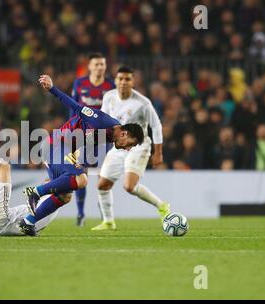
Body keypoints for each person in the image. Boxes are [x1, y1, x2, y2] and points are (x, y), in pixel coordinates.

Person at [20, 74, 144, 236]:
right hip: (55, 145)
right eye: (130, 144)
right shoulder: (102, 121)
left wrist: (66, 174)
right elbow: (75, 106)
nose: (128, 149)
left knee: (64, 196)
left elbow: (83, 142)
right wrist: (52, 88)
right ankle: (35, 192)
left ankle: (28, 222)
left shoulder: (109, 137)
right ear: (124, 134)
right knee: (81, 179)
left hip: (62, 150)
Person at [92, 66, 170, 231]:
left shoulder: (142, 103)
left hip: (139, 146)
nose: (123, 82)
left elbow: (156, 126)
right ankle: (108, 222)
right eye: (120, 78)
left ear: (133, 82)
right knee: (102, 185)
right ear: (115, 80)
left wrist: (158, 152)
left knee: (128, 186)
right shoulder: (109, 97)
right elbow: (103, 120)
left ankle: (161, 205)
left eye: (127, 79)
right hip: (119, 146)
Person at [71, 52, 115, 227]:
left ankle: (104, 215)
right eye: (96, 64)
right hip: (83, 135)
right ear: (89, 66)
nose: (99, 67)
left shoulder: (110, 86)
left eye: (102, 64)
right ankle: (81, 213)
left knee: (103, 175)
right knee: (81, 172)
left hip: (104, 136)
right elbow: (72, 108)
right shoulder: (79, 83)